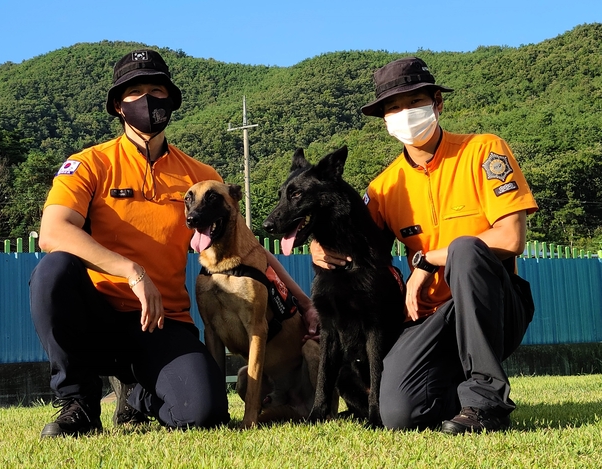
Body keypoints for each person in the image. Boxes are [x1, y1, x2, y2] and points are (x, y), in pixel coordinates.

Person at [30, 49, 318, 438]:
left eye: (156, 90)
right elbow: (53, 231)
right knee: (53, 270)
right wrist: (132, 272)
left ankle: (139, 396)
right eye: (135, 92)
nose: (148, 100)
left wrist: (303, 302)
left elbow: (246, 251)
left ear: (171, 101)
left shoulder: (200, 179)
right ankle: (78, 402)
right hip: (97, 316)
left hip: (162, 322)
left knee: (205, 413)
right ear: (118, 105)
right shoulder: (90, 164)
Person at [311, 57, 537, 434]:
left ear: (438, 104)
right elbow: (360, 249)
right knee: (398, 414)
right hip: (431, 317)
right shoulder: (383, 188)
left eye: (414, 102)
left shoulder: (483, 152)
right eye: (393, 108)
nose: (404, 114)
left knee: (465, 248)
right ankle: (456, 399)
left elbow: (511, 238)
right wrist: (319, 247)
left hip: (494, 306)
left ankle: (486, 403)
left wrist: (428, 259)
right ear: (384, 120)